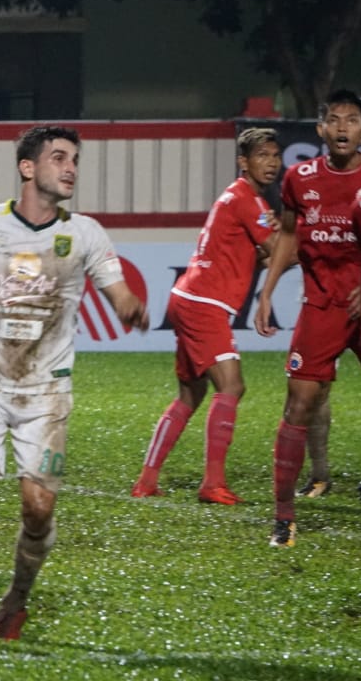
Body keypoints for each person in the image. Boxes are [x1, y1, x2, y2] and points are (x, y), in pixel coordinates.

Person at [0, 126, 148, 647]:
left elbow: (119, 291)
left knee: (38, 508)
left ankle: (15, 603)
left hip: (47, 391)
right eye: (59, 158)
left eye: (75, 160)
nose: (71, 169)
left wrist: (129, 305)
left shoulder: (84, 233)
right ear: (27, 167)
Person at [131, 128, 283, 504]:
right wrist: (301, 238)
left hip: (188, 295)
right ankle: (212, 483)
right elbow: (281, 253)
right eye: (262, 155)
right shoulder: (249, 201)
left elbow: (264, 255)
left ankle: (146, 480)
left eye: (276, 156)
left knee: (191, 393)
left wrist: (278, 247)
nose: (272, 163)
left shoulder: (239, 198)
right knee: (231, 386)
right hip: (204, 304)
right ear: (243, 162)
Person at [254, 89, 361, 549]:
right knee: (298, 403)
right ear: (321, 129)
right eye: (334, 119)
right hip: (321, 308)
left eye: (352, 120)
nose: (343, 127)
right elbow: (288, 234)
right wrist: (266, 293)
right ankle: (283, 517)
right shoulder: (298, 179)